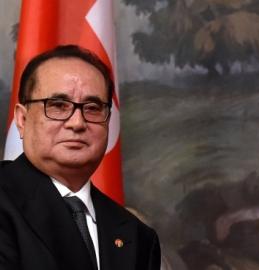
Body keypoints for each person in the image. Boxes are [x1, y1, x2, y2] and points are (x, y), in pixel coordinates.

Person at [0, 45, 160, 270]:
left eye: (93, 108)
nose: (77, 123)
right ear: (22, 120)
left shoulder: (138, 236)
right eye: (57, 105)